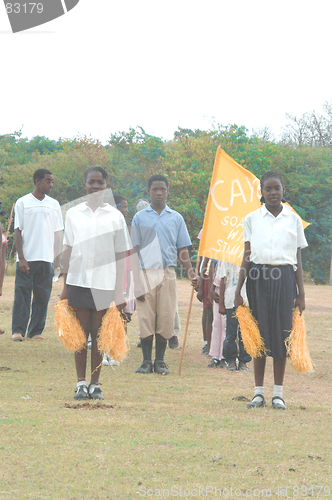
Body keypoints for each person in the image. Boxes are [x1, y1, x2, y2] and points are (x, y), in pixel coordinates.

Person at [234, 171, 307, 410]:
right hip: (258, 277)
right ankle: (258, 393)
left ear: (283, 190)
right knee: (259, 336)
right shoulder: (252, 219)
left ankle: (278, 393)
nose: (273, 192)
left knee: (282, 335)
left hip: (285, 278)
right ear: (261, 193)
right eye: (268, 189)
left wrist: (301, 292)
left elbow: (297, 257)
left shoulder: (293, 219)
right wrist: (238, 288)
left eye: (277, 188)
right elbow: (247, 255)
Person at [60, 167, 131, 400]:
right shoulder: (73, 214)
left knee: (99, 334)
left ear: (106, 185)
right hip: (78, 281)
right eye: (91, 182)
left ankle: (95, 384)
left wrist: (120, 291)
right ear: (84, 184)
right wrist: (64, 287)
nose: (96, 186)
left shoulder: (115, 216)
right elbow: (67, 250)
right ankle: (80, 383)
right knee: (80, 334)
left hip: (104, 282)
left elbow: (122, 254)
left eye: (100, 182)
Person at [131, 174, 197, 375]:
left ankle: (160, 361)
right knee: (145, 318)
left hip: (168, 273)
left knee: (166, 317)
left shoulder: (176, 218)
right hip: (145, 273)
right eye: (154, 189)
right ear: (149, 191)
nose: (158, 193)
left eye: (162, 189)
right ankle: (145, 362)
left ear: (168, 191)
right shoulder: (139, 217)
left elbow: (182, 249)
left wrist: (191, 272)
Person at [12, 169, 63, 341]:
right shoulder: (23, 202)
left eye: (52, 181)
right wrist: (22, 258)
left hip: (46, 259)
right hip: (27, 259)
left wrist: (58, 260)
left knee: (42, 296)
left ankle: (35, 332)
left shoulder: (54, 204)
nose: (51, 185)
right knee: (22, 295)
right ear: (37, 181)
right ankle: (18, 331)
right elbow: (17, 231)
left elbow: (57, 233)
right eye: (48, 181)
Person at [218, 261, 251, 370]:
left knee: (245, 333)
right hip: (230, 301)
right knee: (231, 333)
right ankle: (231, 360)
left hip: (246, 301)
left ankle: (243, 361)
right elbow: (222, 281)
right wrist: (221, 303)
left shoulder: (249, 258)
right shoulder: (227, 258)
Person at [207, 260, 227, 368]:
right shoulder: (221, 252)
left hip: (231, 289)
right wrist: (212, 289)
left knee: (226, 324)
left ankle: (225, 356)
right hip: (218, 290)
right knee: (217, 323)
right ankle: (215, 355)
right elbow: (217, 271)